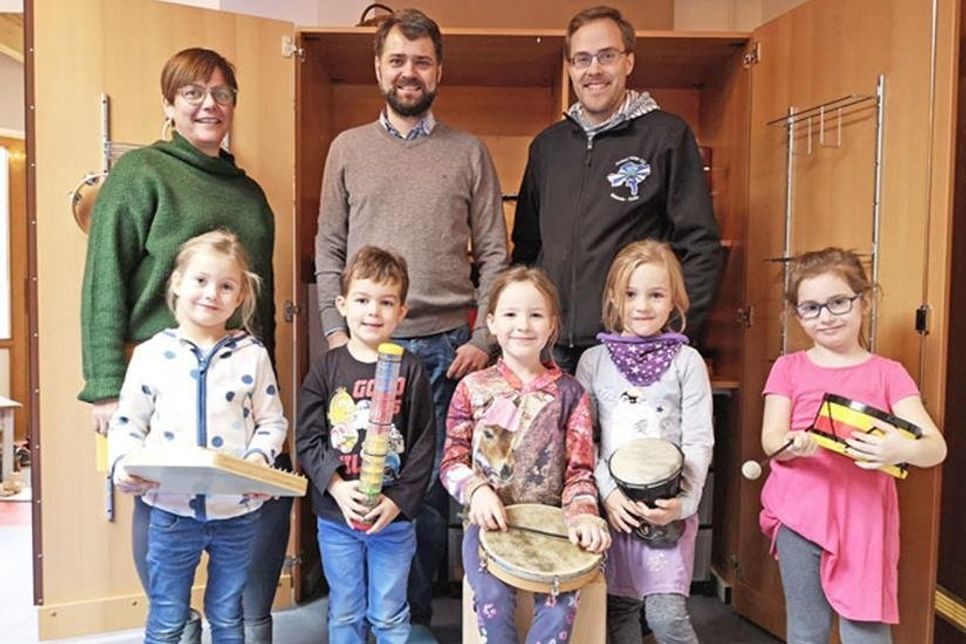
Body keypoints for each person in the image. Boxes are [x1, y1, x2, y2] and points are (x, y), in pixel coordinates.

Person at [78, 47, 290, 643]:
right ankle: (174, 622)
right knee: (162, 507)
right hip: (157, 372)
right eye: (193, 92)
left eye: (222, 94)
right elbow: (104, 280)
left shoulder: (250, 195)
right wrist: (102, 387)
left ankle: (232, 623)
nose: (209, 104)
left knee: (243, 509)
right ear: (169, 104)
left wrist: (262, 382)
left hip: (233, 374)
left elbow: (262, 302)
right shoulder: (141, 174)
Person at [314, 9, 509, 636]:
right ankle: (358, 616)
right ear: (378, 67)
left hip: (446, 347)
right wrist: (337, 335)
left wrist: (483, 339)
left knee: (421, 485)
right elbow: (328, 250)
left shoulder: (469, 152)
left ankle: (409, 618)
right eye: (397, 59)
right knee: (355, 473)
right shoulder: (347, 148)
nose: (408, 72)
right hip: (363, 346)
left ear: (439, 71)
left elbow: (496, 254)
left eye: (421, 61)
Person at [511, 5, 721, 373]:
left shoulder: (667, 136)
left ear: (628, 62)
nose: (593, 70)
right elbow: (528, 249)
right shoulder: (547, 146)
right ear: (570, 68)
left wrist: (669, 335)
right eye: (582, 59)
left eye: (606, 56)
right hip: (551, 348)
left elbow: (699, 245)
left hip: (629, 345)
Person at [758, 247, 947, 643]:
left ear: (865, 300)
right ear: (797, 315)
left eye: (838, 302)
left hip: (866, 522)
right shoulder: (787, 368)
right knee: (806, 630)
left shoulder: (889, 374)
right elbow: (771, 439)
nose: (826, 316)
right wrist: (792, 444)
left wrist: (901, 450)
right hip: (799, 517)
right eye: (811, 308)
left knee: (867, 631)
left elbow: (935, 447)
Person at [107, 230, 288, 643]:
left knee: (228, 617)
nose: (212, 294)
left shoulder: (252, 354)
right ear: (176, 283)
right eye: (201, 281)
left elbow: (273, 422)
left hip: (238, 513)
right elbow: (128, 425)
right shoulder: (152, 355)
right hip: (170, 511)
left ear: (241, 296)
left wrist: (259, 460)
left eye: (226, 286)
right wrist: (123, 466)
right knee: (168, 618)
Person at [440, 266, 611, 642]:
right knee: (494, 603)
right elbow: (451, 461)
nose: (523, 325)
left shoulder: (571, 393)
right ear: (492, 323)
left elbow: (580, 470)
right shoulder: (472, 388)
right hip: (489, 527)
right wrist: (478, 491)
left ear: (552, 325)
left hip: (554, 527)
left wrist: (583, 516)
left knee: (562, 605)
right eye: (511, 314)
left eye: (535, 315)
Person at [297, 246, 436, 643]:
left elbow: (425, 443)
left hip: (393, 520)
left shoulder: (411, 369)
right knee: (345, 612)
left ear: (402, 311)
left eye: (386, 302)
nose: (373, 311)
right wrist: (338, 487)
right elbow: (308, 438)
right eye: (362, 300)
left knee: (390, 614)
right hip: (337, 519)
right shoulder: (326, 368)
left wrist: (398, 502)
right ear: (342, 304)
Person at [575, 240, 712, 643]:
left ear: (675, 300)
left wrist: (684, 504)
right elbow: (587, 440)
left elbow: (699, 439)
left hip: (667, 511)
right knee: (619, 614)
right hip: (615, 510)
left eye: (656, 294)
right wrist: (610, 494)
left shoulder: (687, 362)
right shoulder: (593, 361)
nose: (642, 306)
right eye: (631, 294)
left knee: (666, 615)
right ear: (614, 298)